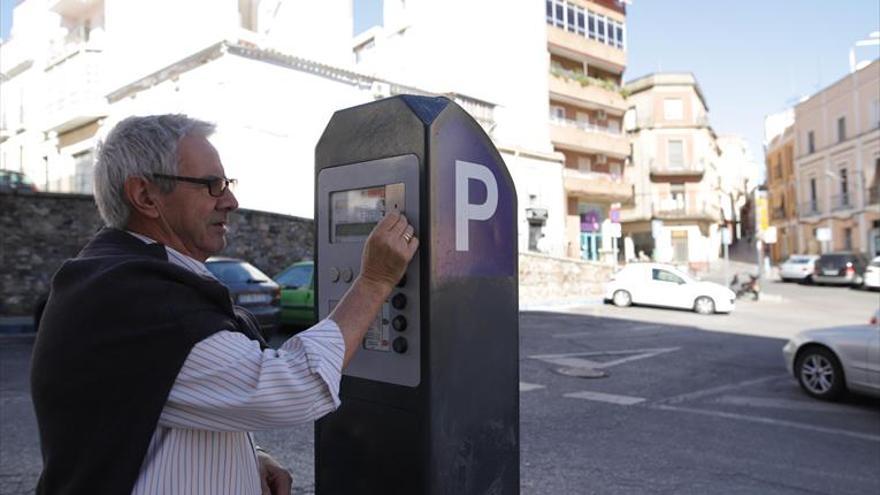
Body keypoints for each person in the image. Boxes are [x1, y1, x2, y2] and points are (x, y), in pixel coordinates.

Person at [30, 114, 419, 494]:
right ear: (145, 196)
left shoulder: (128, 278)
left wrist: (250, 456)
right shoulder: (133, 297)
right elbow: (293, 388)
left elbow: (168, 403)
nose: (231, 200)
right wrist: (374, 282)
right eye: (212, 185)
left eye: (227, 183)